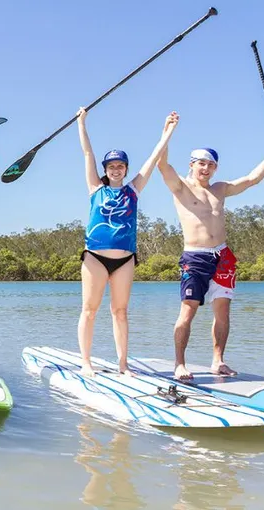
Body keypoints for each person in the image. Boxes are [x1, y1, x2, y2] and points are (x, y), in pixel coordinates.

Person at [156, 117, 264, 381]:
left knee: (223, 311)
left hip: (223, 256)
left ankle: (218, 361)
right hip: (196, 256)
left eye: (211, 165)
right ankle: (180, 363)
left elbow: (253, 179)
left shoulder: (220, 189)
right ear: (192, 165)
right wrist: (167, 131)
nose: (206, 168)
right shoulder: (180, 186)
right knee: (189, 308)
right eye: (201, 163)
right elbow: (161, 163)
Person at [76, 107, 180, 377]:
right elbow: (87, 153)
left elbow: (154, 155)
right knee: (89, 310)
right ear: (106, 169)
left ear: (125, 169)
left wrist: (167, 130)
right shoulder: (95, 189)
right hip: (95, 257)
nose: (116, 169)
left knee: (120, 312)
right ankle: (86, 362)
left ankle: (123, 365)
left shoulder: (134, 189)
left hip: (124, 259)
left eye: (120, 166)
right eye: (111, 166)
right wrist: (82, 122)